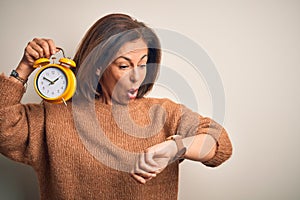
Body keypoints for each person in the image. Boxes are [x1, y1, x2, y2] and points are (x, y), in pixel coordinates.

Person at [0, 13, 232, 200]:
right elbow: (4, 130)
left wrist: (177, 147)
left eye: (142, 65)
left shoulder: (162, 113)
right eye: (124, 66)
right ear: (98, 65)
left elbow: (219, 144)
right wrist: (23, 69)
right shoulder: (52, 117)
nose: (137, 77)